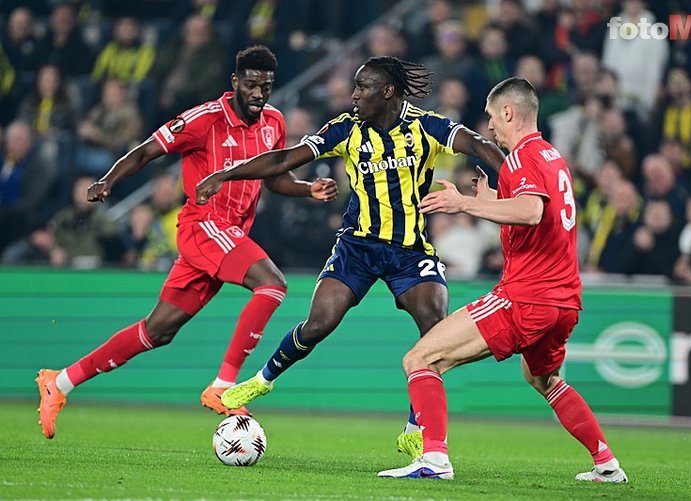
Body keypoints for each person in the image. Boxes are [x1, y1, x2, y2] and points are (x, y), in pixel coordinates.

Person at [195, 56, 504, 459]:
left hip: (410, 250)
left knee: (435, 332)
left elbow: (479, 145)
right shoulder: (345, 128)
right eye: (354, 87)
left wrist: (517, 180)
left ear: (388, 92)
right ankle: (263, 379)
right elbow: (285, 159)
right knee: (318, 324)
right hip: (357, 246)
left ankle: (416, 428)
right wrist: (226, 173)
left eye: (362, 88)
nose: (353, 95)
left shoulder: (426, 126)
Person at [35, 45, 338, 439]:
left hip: (229, 234)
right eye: (251, 85)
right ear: (235, 82)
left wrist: (307, 189)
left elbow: (276, 178)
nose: (258, 94)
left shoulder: (274, 122)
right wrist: (108, 180)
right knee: (272, 285)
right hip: (204, 225)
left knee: (157, 331)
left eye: (265, 86)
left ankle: (59, 382)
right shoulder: (204, 119)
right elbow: (146, 151)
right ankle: (224, 386)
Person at [376, 77, 628, 482]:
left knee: (420, 359)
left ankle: (434, 460)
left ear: (509, 113)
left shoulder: (521, 158)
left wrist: (464, 204)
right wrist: (490, 198)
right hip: (564, 302)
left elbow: (530, 211)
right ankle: (607, 464)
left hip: (526, 297)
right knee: (543, 378)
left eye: (492, 117)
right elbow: (541, 214)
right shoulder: (550, 156)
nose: (490, 126)